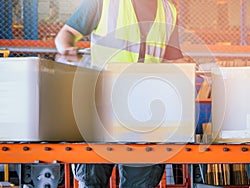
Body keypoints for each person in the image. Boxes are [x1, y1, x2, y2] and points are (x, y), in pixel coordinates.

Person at [55, 0, 192, 187]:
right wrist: (67, 49)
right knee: (93, 179)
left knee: (141, 182)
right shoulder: (103, 3)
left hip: (145, 113)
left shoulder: (168, 10)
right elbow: (67, 34)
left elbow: (173, 58)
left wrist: (188, 68)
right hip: (102, 109)